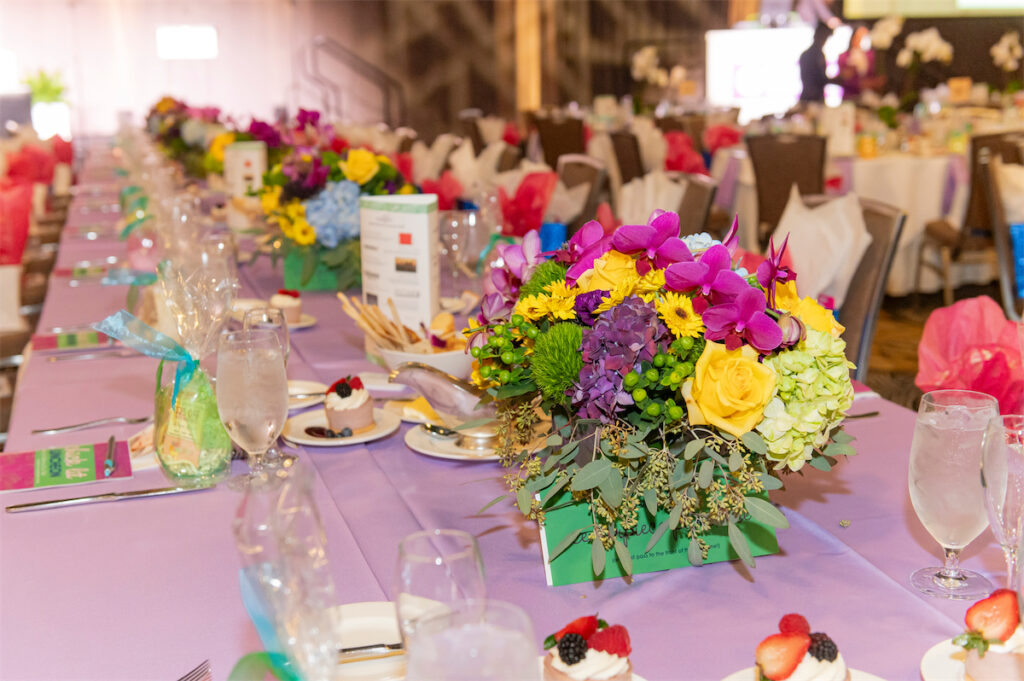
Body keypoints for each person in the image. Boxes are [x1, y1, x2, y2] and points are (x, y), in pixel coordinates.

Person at [838, 25, 885, 98]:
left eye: (864, 36)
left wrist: (873, 82)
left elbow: (874, 75)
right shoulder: (844, 56)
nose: (861, 39)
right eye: (859, 36)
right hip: (850, 95)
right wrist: (859, 84)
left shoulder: (871, 55)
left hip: (868, 96)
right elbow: (843, 77)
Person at [799, 23, 836, 102]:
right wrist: (841, 80)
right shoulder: (817, 55)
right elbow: (820, 79)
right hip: (813, 99)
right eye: (824, 37)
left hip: (809, 97)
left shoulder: (806, 54)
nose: (825, 40)